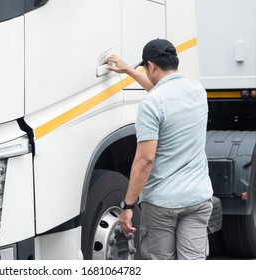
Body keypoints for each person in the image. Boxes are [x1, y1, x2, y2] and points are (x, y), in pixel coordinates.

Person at [105, 39, 213, 260]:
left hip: (163, 203)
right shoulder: (198, 91)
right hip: (198, 199)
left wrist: (128, 206)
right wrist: (129, 70)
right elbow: (163, 93)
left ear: (151, 66)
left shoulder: (151, 104)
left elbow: (145, 160)